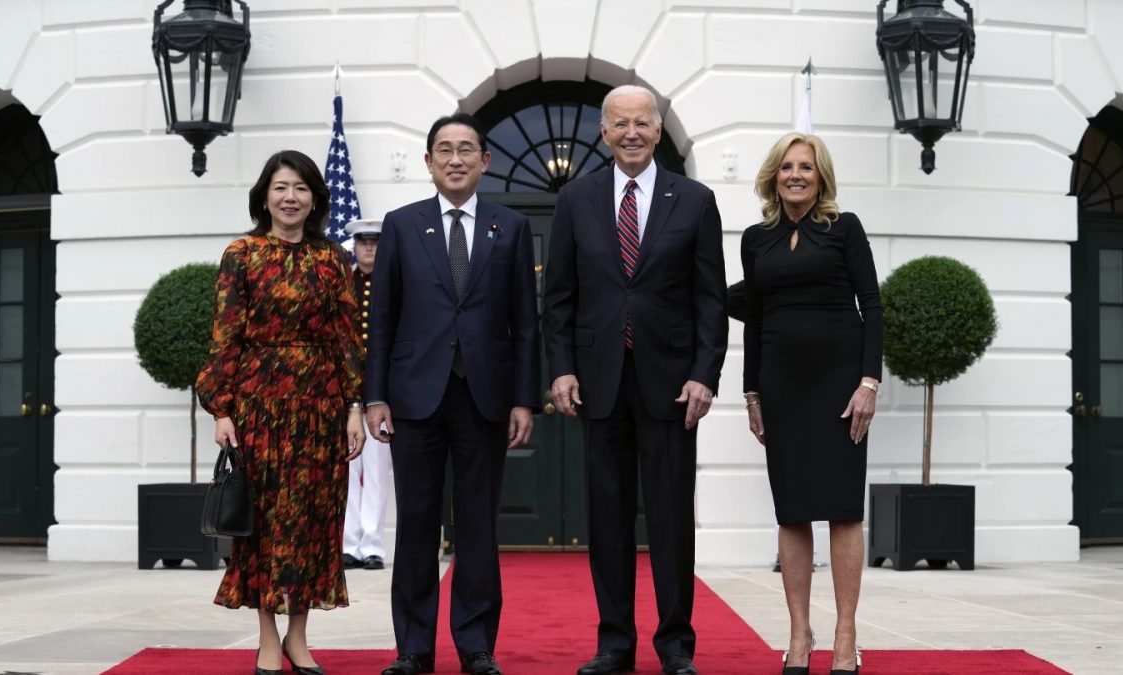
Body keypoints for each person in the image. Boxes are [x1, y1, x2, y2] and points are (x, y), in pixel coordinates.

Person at [542, 85, 728, 675]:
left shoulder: (694, 200)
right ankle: (614, 643)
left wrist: (704, 374)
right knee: (608, 519)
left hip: (672, 386)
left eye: (641, 123)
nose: (631, 133)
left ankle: (675, 645)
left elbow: (711, 299)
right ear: (603, 132)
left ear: (657, 130)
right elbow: (559, 297)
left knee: (671, 518)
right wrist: (561, 367)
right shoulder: (576, 199)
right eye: (619, 124)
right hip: (599, 382)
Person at [365, 113, 540, 675]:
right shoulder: (401, 225)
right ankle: (413, 648)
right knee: (416, 523)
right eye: (444, 149)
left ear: (484, 161)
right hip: (414, 397)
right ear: (428, 162)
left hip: (485, 397)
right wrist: (374, 396)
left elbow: (526, 321)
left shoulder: (511, 227)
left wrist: (524, 399)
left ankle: (476, 646)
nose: (456, 159)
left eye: (467, 149)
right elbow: (382, 318)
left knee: (478, 526)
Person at [196, 150, 367, 675]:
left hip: (321, 408)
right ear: (264, 197)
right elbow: (225, 336)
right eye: (280, 188)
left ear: (315, 198)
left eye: (300, 188)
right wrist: (221, 410)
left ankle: (299, 637)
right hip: (259, 409)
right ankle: (268, 638)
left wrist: (354, 406)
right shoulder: (242, 254)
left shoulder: (332, 258)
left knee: (313, 522)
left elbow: (347, 338)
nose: (290, 198)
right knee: (265, 526)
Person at [740, 133, 882, 675]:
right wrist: (752, 392)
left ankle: (846, 635)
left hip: (840, 386)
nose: (795, 175)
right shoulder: (756, 239)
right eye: (786, 167)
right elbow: (754, 319)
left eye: (806, 166)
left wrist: (869, 382)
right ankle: (799, 635)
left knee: (843, 508)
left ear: (821, 176)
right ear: (773, 176)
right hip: (781, 385)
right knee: (793, 510)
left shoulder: (845, 228)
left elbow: (871, 305)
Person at [341, 218, 393, 572]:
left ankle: (372, 544)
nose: (369, 248)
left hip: (381, 391)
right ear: (355, 247)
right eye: (363, 243)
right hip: (347, 390)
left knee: (376, 470)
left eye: (374, 243)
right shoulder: (344, 283)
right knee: (347, 469)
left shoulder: (391, 283)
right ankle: (348, 543)